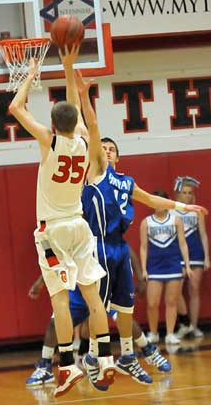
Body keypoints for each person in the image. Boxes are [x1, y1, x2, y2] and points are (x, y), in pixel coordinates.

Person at [75, 69, 207, 382]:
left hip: (119, 246)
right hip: (98, 245)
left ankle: (127, 356)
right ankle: (96, 354)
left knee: (124, 308)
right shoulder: (95, 172)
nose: (105, 150)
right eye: (102, 147)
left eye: (111, 149)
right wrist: (83, 96)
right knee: (99, 306)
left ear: (118, 157)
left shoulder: (126, 182)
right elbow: (91, 127)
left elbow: (151, 200)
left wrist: (181, 205)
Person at [9, 46, 115, 397]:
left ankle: (67, 365)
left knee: (60, 300)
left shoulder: (48, 141)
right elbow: (86, 120)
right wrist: (69, 69)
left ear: (53, 124)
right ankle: (106, 358)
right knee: (93, 296)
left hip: (53, 230)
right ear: (76, 124)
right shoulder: (86, 142)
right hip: (80, 227)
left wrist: (30, 75)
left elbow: (14, 108)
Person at [26, 246, 171, 387]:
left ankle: (148, 350)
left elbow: (125, 248)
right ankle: (45, 365)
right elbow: (55, 260)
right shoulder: (72, 233)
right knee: (55, 323)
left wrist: (139, 277)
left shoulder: (104, 230)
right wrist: (39, 284)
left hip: (104, 285)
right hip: (80, 289)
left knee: (123, 318)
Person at [140, 190, 192, 345]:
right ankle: (153, 333)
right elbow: (143, 247)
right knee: (152, 303)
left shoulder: (176, 220)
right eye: (155, 201)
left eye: (161, 201)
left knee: (171, 302)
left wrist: (187, 265)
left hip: (173, 265)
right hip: (155, 267)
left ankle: (170, 333)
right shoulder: (146, 222)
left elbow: (183, 243)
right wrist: (143, 269)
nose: (158, 205)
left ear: (166, 203)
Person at [172, 176, 210, 339]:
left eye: (189, 193)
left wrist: (207, 257)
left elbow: (203, 234)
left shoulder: (197, 211)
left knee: (194, 289)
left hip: (195, 253)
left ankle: (193, 326)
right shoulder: (171, 210)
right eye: (184, 192)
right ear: (177, 194)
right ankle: (184, 322)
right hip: (178, 253)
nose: (187, 195)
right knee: (175, 290)